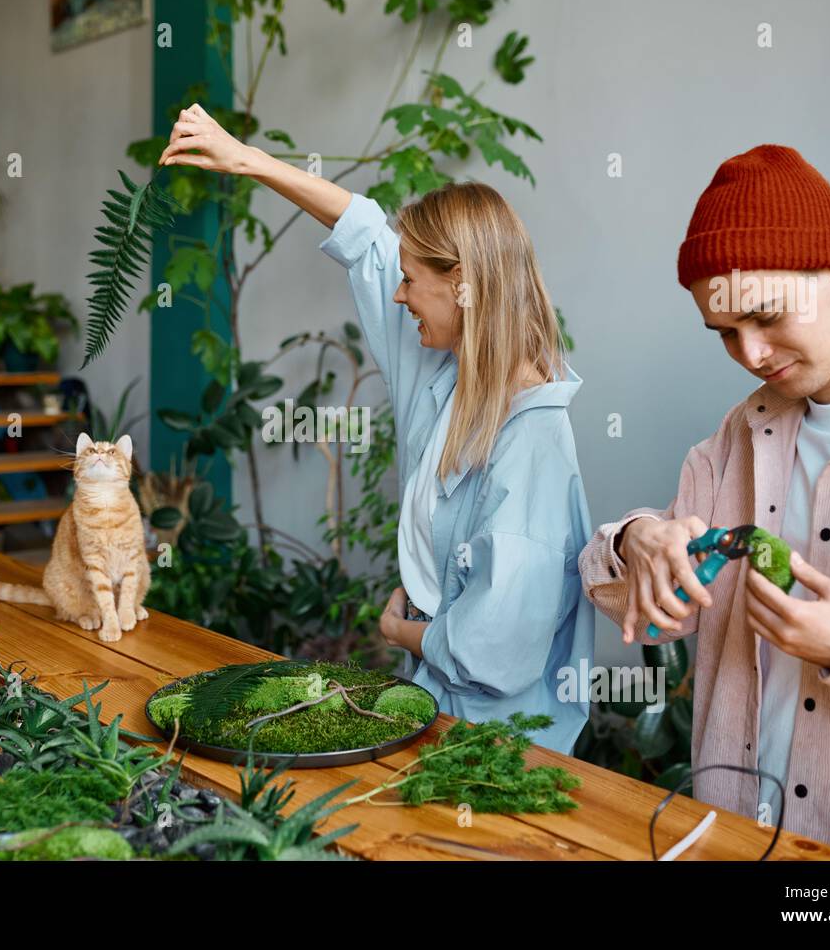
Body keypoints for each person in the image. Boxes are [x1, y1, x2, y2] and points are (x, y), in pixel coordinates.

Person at [159, 103, 595, 753]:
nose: (397, 294)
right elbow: (364, 232)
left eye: (412, 281)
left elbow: (493, 655)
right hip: (433, 687)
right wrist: (243, 159)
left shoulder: (530, 443)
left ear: (463, 286)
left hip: (496, 736)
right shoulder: (439, 363)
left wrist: (399, 633)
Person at [578, 144, 830, 859]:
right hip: (727, 840)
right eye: (725, 332)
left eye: (765, 315)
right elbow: (643, 612)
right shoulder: (733, 440)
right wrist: (637, 540)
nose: (751, 353)